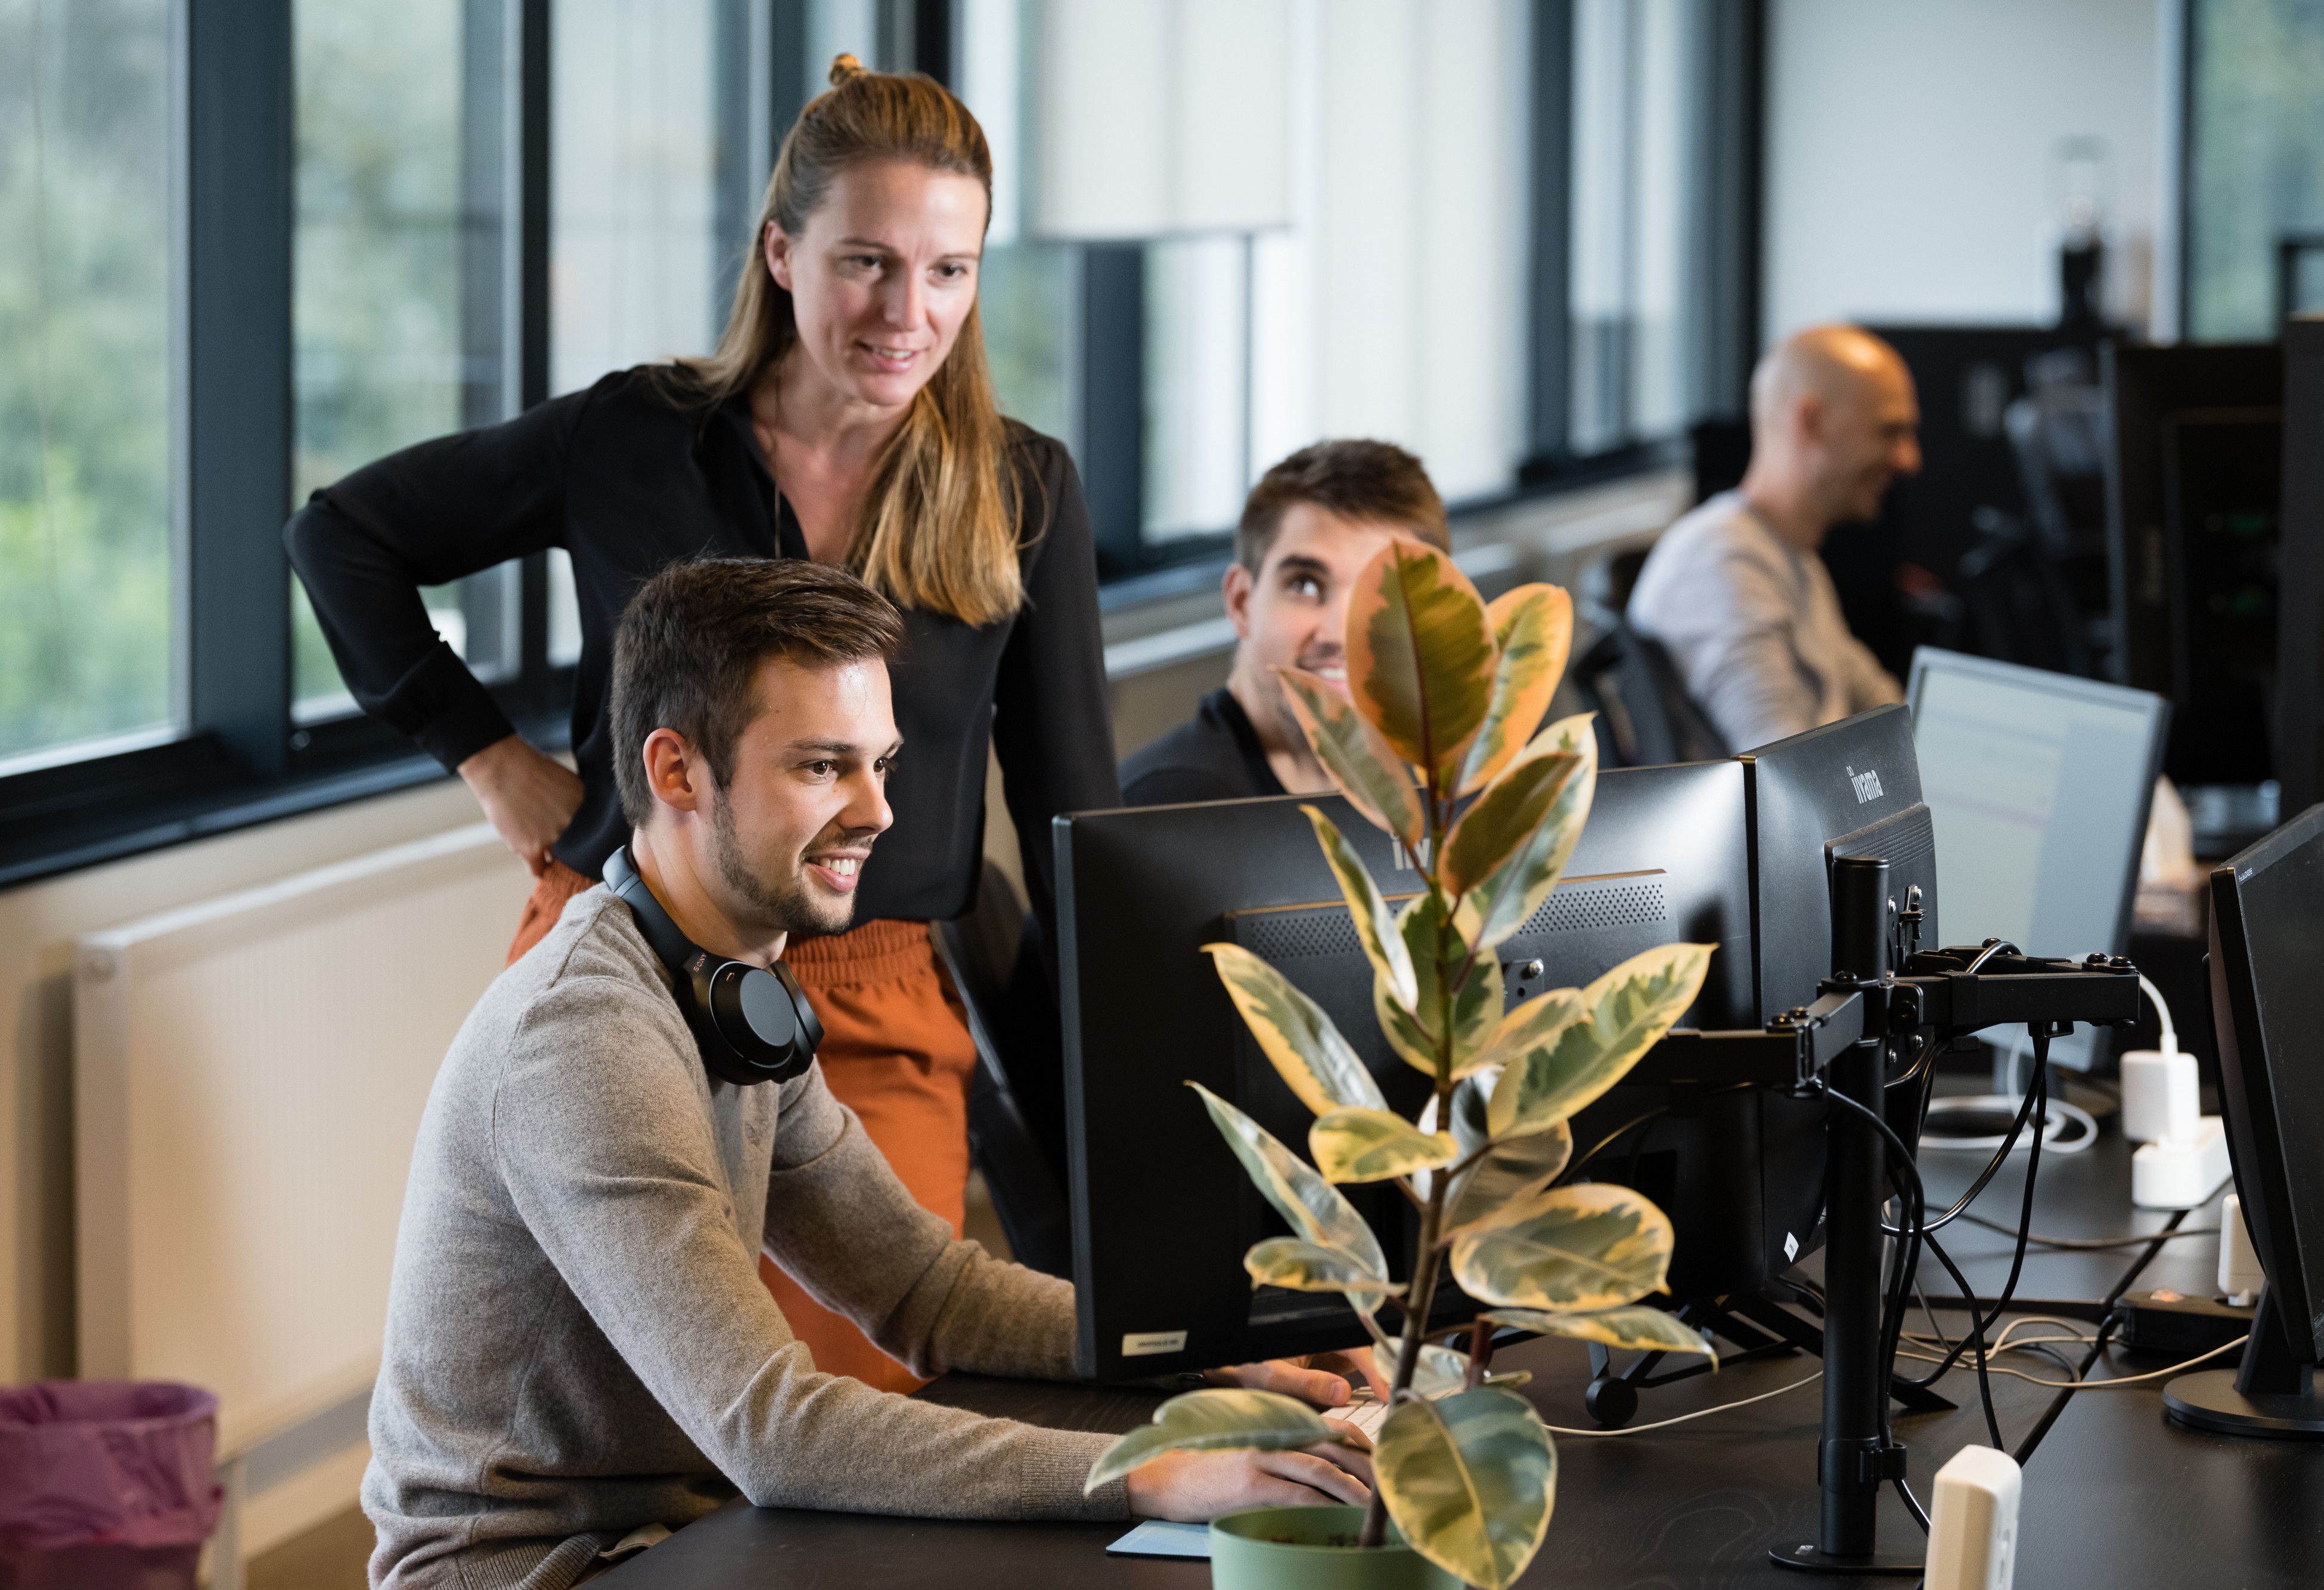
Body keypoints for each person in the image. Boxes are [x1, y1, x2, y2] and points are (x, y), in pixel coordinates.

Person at [285, 58, 1114, 1390]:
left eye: (948, 270)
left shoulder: (1022, 487)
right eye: (866, 262)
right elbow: (344, 538)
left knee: (853, 1414)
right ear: (781, 251)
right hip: (627, 957)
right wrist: (489, 759)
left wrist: (1137, 1098)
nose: (909, 313)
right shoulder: (631, 437)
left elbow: (1080, 815)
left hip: (876, 995)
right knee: (609, 1406)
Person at [365, 558, 1377, 1589]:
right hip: (527, 1570)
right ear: (677, 772)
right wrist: (1154, 1472)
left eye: (881, 763)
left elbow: (925, 1291)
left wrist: (1204, 1352)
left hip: (675, 1536)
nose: (878, 810)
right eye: (821, 767)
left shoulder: (734, 988)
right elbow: (775, 1429)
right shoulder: (586, 1041)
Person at [1626, 324, 1917, 753]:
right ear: (1812, 421)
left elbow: (1888, 713)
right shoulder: (1721, 567)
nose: (1909, 459)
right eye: (1889, 432)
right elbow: (1788, 783)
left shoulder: (1790, 555)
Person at [1120, 440, 1450, 805]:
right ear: (1241, 602)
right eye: (1305, 585)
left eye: (1384, 592)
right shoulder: (1161, 811)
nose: (1339, 635)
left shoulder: (1434, 799)